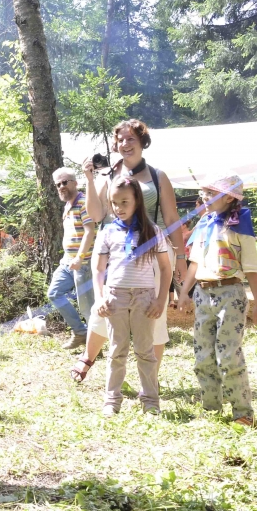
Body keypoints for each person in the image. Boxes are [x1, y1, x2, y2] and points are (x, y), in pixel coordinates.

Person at [73, 120, 188, 383]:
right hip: (118, 251)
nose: (125, 144)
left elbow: (171, 218)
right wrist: (90, 179)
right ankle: (88, 358)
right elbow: (96, 214)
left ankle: (150, 379)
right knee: (105, 306)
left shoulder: (158, 177)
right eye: (121, 140)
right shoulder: (110, 175)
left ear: (142, 142)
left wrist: (180, 257)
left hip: (154, 252)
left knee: (154, 314)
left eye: (130, 139)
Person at [178, 175, 257, 426]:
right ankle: (211, 408)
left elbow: (251, 268)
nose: (204, 197)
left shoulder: (240, 225)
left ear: (228, 198)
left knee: (228, 355)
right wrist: (185, 292)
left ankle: (242, 412)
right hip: (203, 294)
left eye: (210, 192)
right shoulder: (204, 224)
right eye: (203, 192)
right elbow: (194, 263)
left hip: (230, 294)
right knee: (202, 355)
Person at [92, 176, 172, 415]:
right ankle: (111, 401)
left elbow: (166, 268)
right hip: (115, 297)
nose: (119, 208)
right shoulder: (107, 231)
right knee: (117, 350)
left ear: (137, 200)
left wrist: (160, 299)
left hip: (145, 298)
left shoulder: (152, 231)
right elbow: (98, 269)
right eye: (114, 203)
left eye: (125, 202)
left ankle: (150, 402)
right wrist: (99, 297)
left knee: (145, 351)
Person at [47, 168, 96, 351]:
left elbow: (90, 231)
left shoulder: (83, 202)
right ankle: (80, 332)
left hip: (83, 263)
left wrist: (80, 257)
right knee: (54, 293)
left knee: (87, 307)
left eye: (65, 182)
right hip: (67, 261)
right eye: (58, 184)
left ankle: (93, 347)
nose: (61, 186)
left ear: (75, 182)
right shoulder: (68, 205)